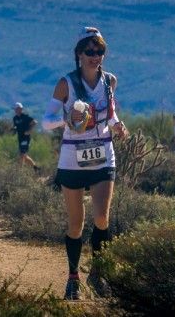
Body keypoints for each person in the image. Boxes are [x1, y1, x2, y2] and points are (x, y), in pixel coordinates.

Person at [42, 27, 128, 300]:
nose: (95, 56)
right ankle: (73, 277)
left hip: (103, 154)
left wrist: (118, 126)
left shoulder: (109, 81)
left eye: (99, 50)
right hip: (72, 160)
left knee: (101, 217)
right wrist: (65, 122)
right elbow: (46, 121)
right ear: (79, 53)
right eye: (89, 51)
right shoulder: (65, 83)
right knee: (76, 224)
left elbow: (110, 115)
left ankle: (99, 272)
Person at [12, 102, 38, 171]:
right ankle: (35, 167)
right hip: (20, 138)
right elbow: (15, 126)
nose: (16, 110)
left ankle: (20, 172)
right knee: (24, 156)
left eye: (18, 109)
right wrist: (14, 129)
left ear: (21, 109)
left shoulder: (25, 117)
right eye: (15, 109)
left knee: (22, 154)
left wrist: (29, 130)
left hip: (26, 138)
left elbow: (35, 122)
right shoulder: (15, 118)